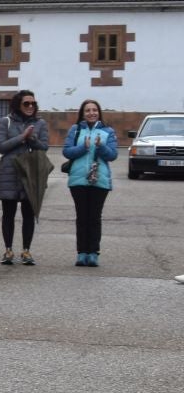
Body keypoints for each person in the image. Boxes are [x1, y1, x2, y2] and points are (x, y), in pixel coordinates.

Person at [0, 91, 50, 266]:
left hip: (31, 172)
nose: (30, 106)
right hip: (9, 172)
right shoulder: (6, 121)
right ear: (18, 104)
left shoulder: (40, 123)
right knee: (8, 214)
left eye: (33, 103)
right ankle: (8, 250)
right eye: (26, 103)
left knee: (28, 214)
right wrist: (21, 137)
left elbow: (44, 147)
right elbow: (1, 146)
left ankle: (26, 251)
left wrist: (31, 138)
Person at [63, 99, 118, 267]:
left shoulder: (108, 131)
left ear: (99, 112)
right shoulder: (76, 129)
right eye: (88, 110)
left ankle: (93, 252)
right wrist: (83, 148)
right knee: (82, 217)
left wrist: (101, 147)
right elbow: (66, 151)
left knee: (94, 217)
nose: (91, 113)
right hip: (78, 179)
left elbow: (113, 155)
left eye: (94, 110)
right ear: (83, 113)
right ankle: (81, 253)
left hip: (99, 179)